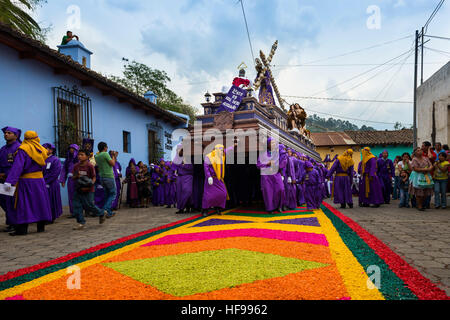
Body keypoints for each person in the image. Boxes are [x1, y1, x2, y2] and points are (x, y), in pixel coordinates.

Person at [4, 131, 52, 236]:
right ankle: (40, 227)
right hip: (39, 180)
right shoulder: (42, 150)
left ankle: (22, 229)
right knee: (40, 203)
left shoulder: (23, 149)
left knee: (24, 204)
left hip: (26, 181)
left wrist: (10, 182)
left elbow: (18, 167)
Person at [71, 150, 108, 230]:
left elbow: (94, 177)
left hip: (88, 190)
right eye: (79, 155)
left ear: (87, 156)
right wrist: (76, 176)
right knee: (77, 205)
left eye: (82, 154)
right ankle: (81, 222)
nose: (79, 156)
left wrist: (91, 184)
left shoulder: (90, 166)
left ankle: (102, 213)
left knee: (89, 206)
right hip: (78, 189)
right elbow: (73, 177)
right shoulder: (76, 166)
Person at [202, 143, 236, 217]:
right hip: (210, 179)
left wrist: (234, 145)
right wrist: (209, 177)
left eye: (222, 150)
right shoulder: (209, 157)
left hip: (219, 179)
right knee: (208, 196)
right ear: (216, 150)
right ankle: (205, 210)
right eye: (220, 150)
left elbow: (227, 150)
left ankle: (218, 208)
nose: (222, 152)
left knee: (223, 193)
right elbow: (206, 166)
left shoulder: (221, 155)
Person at [0, 126, 22, 232]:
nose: (6, 134)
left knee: (11, 201)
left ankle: (15, 223)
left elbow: (18, 165)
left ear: (16, 135)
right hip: (3, 178)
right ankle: (11, 221)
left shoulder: (18, 147)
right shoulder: (3, 149)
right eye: (5, 133)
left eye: (9, 133)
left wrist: (8, 175)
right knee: (4, 200)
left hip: (13, 179)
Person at [256, 137, 286, 214]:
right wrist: (267, 164)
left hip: (276, 174)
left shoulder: (279, 152)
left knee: (280, 189)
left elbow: (284, 161)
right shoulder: (263, 154)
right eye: (271, 143)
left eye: (274, 143)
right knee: (268, 192)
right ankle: (270, 208)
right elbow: (258, 165)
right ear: (268, 145)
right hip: (266, 176)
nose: (273, 144)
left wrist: (278, 167)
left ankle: (279, 206)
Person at [94, 142, 117, 218]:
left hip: (102, 177)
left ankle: (109, 212)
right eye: (106, 147)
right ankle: (104, 210)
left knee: (107, 194)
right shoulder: (105, 154)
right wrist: (113, 156)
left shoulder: (96, 156)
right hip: (109, 176)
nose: (107, 148)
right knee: (113, 194)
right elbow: (113, 164)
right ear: (104, 147)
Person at [409, 147, 434, 211]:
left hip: (426, 176)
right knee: (418, 192)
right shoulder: (414, 159)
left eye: (420, 150)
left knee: (426, 191)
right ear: (415, 153)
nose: (420, 151)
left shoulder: (426, 158)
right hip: (418, 176)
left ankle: (422, 204)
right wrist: (424, 169)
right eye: (418, 150)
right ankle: (419, 205)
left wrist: (429, 169)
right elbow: (415, 168)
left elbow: (431, 165)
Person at [42, 143, 63, 223]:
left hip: (52, 184)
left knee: (51, 200)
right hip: (42, 183)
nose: (43, 149)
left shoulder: (55, 160)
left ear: (51, 150)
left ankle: (51, 217)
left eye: (45, 148)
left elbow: (55, 172)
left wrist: (46, 181)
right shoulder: (42, 159)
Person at [172, 145, 194, 214]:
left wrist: (182, 165)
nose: (178, 151)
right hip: (179, 177)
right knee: (179, 193)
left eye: (180, 150)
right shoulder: (177, 158)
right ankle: (181, 208)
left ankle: (189, 206)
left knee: (187, 191)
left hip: (188, 177)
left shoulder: (189, 157)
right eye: (177, 150)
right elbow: (173, 167)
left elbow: (191, 167)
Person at [59, 144, 79, 217]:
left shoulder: (79, 159)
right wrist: (63, 180)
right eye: (70, 148)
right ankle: (73, 212)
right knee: (71, 195)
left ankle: (80, 211)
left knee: (79, 195)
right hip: (70, 180)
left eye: (73, 149)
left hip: (78, 179)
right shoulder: (68, 160)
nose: (71, 150)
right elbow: (64, 170)